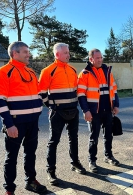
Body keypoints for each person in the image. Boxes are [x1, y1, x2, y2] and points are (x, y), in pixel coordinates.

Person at [0, 41, 47, 195]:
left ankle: (31, 181)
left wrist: (49, 106)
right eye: (25, 52)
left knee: (31, 153)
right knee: (12, 156)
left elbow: (39, 94)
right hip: (15, 123)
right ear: (14, 53)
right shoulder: (3, 72)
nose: (28, 54)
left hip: (32, 122)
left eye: (28, 51)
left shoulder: (30, 72)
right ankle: (9, 189)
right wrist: (9, 124)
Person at [38, 43, 86, 185]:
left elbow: (77, 90)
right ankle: (50, 171)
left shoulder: (72, 69)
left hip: (73, 111)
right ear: (57, 54)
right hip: (57, 112)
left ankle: (75, 163)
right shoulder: (48, 71)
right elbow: (41, 92)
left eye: (68, 52)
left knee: (74, 139)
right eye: (65, 52)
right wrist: (50, 105)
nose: (68, 54)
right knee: (54, 142)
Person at [77, 49, 120, 173]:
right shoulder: (85, 73)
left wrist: (116, 105)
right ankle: (92, 160)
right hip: (93, 111)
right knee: (94, 137)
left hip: (108, 110)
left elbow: (114, 89)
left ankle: (109, 156)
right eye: (97, 58)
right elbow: (81, 94)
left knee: (108, 136)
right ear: (91, 59)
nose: (100, 60)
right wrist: (86, 110)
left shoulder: (107, 71)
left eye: (101, 57)